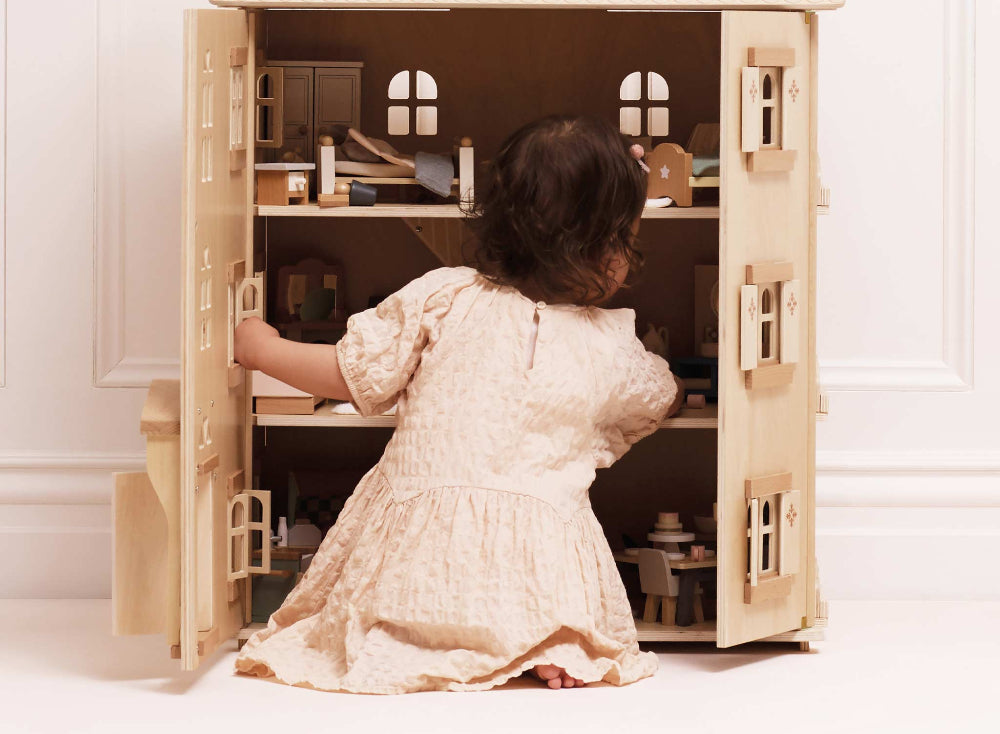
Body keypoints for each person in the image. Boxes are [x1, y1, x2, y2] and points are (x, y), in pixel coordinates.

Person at [233, 115, 682, 693]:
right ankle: (547, 640)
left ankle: (421, 633)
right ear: (603, 249)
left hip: (415, 558)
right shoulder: (609, 343)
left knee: (389, 615)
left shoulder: (446, 294)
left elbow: (348, 375)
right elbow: (659, 398)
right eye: (626, 237)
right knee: (547, 580)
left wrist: (263, 348)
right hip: (535, 566)